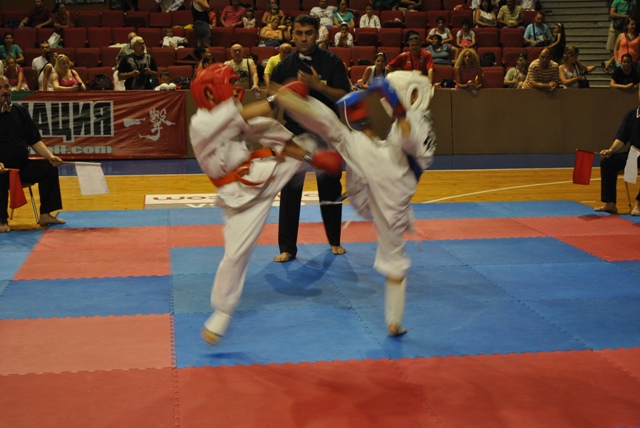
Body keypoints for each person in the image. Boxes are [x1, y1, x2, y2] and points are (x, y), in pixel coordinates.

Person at [273, 70, 436, 337]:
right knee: (395, 257)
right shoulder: (419, 120)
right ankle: (394, 322)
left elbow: (407, 137)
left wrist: (395, 108)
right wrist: (375, 124)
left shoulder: (415, 120)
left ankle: (293, 107)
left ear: (413, 94)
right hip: (393, 198)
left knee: (339, 134)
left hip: (389, 175)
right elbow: (398, 146)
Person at [190, 65, 342, 344]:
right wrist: (279, 97)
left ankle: (344, 156)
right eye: (229, 84)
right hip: (238, 196)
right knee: (235, 254)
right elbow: (250, 113)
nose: (235, 90)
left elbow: (272, 132)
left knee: (302, 142)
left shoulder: (234, 114)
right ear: (210, 93)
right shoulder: (201, 123)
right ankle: (222, 312)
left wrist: (314, 159)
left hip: (261, 174)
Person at [270, 14, 351, 262]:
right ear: (292, 35)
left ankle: (335, 240)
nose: (303, 38)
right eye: (299, 33)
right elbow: (272, 103)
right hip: (295, 132)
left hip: (325, 132)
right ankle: (287, 247)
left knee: (330, 188)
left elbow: (344, 96)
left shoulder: (332, 62)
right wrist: (275, 137)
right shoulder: (283, 67)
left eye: (308, 33)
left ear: (317, 34)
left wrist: (319, 86)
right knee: (290, 189)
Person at [0, 75, 65, 233]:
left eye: (7, 87)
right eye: (1, 88)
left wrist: (50, 157)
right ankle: (1, 220)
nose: (5, 91)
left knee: (48, 168)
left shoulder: (20, 111)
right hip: (3, 170)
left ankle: (45, 214)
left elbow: (35, 140)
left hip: (21, 167)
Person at [595, 84, 640, 216]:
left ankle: (639, 203)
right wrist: (611, 151)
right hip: (634, 154)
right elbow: (621, 138)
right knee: (607, 162)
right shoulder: (632, 114)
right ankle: (610, 203)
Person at [605, 0, 637, 73]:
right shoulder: (617, 1)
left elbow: (633, 14)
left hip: (625, 27)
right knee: (613, 47)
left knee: (623, 47)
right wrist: (623, 16)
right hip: (615, 25)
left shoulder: (633, 2)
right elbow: (611, 14)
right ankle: (613, 67)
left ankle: (609, 62)